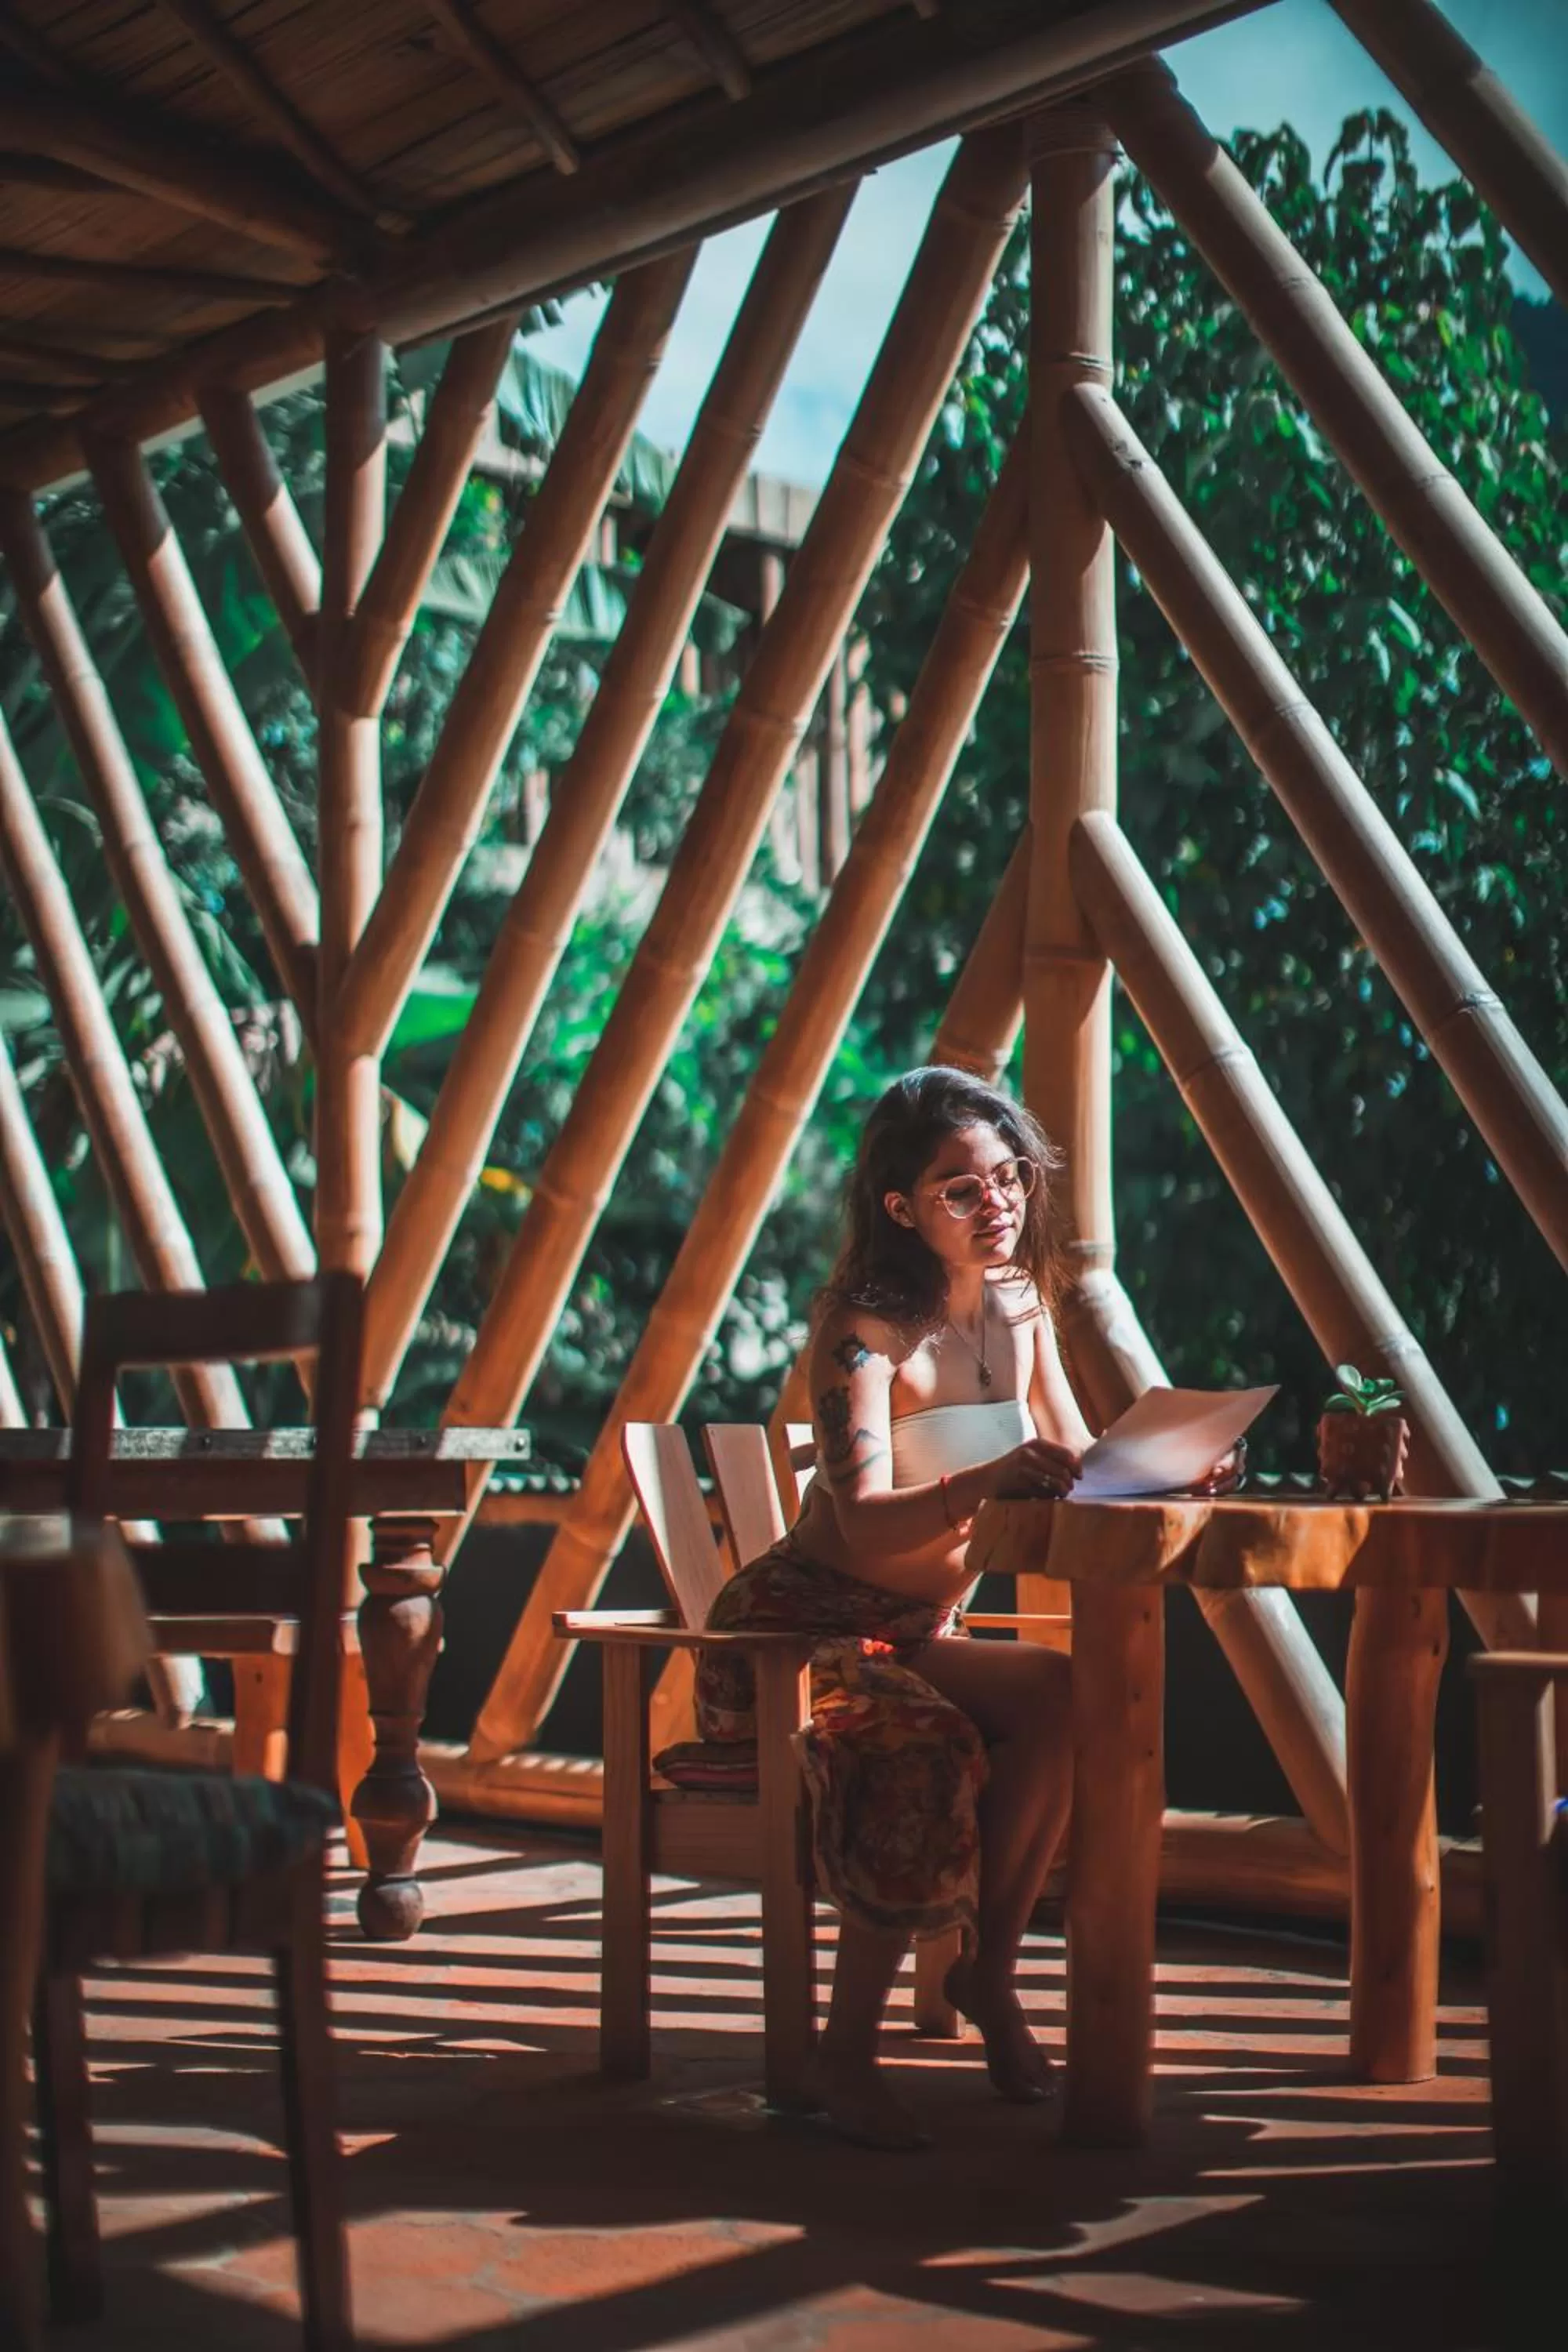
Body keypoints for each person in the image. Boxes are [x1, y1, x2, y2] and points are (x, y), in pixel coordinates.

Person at [682, 1067, 1091, 2148]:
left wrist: (1178, 1465)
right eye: (961, 1189)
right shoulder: (865, 1334)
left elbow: (1078, 1457)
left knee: (1063, 1697)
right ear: (902, 1209)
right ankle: (842, 2055)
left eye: (1009, 1177)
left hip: (910, 1638)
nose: (997, 1202)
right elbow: (860, 1520)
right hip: (791, 1635)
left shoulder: (1019, 1309)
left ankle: (988, 1977)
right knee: (921, 1744)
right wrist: (988, 1482)